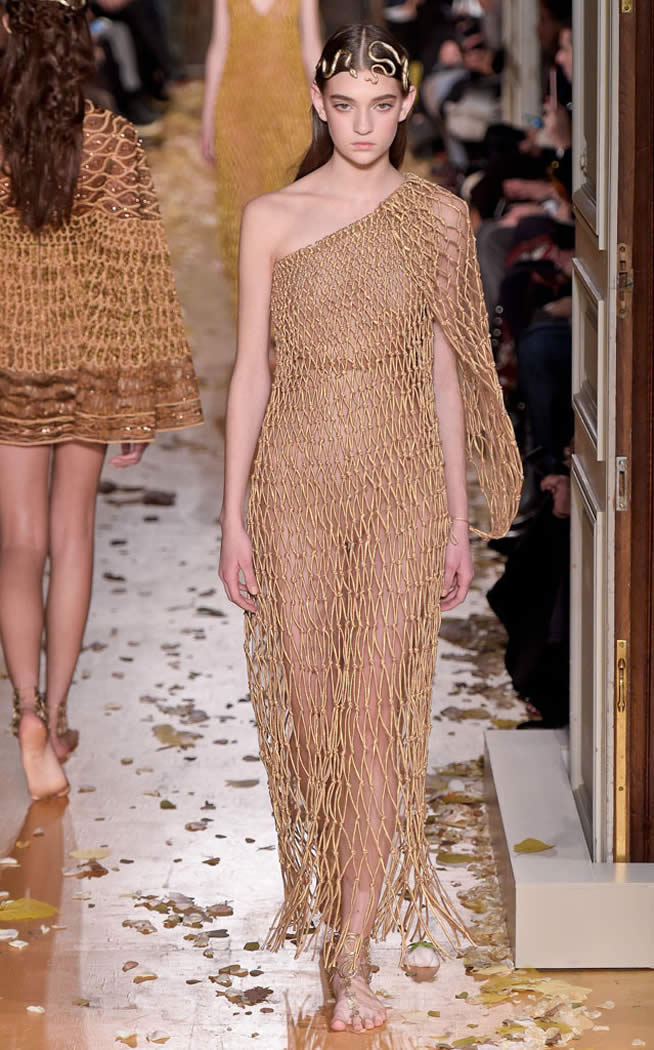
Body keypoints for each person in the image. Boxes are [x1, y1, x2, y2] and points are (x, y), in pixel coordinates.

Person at [218, 23, 522, 1034]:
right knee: (311, 715)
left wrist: (456, 519)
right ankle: (333, 897)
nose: (361, 124)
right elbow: (251, 370)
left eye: (379, 106)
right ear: (319, 103)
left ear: (404, 110)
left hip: (400, 488)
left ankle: (350, 950)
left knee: (376, 719)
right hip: (295, 481)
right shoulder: (271, 217)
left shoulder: (437, 218)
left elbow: (445, 373)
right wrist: (232, 515)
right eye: (343, 105)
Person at [0, 0, 203, 802]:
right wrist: (139, 396)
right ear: (78, 49)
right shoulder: (112, 142)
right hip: (87, 361)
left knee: (18, 541)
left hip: (10, 357)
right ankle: (57, 714)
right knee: (71, 537)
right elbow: (137, 277)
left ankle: (24, 711)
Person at [201, 0, 322, 293]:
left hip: (291, 112)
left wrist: (327, 108)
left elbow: (311, 47)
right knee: (240, 214)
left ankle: (291, 308)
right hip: (236, 113)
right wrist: (207, 118)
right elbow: (219, 47)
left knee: (290, 210)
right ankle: (250, 310)